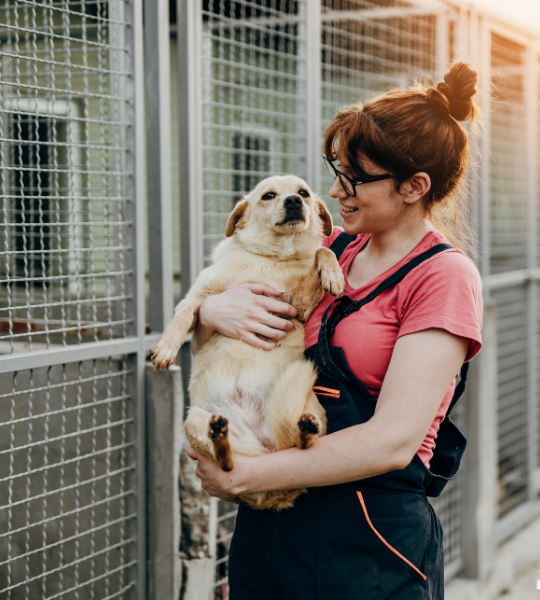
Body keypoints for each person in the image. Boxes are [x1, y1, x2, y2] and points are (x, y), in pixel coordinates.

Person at [186, 61, 484, 600]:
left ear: (415, 186)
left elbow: (394, 440)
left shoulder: (444, 277)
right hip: (274, 523)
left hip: (366, 536)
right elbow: (236, 339)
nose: (335, 189)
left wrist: (247, 476)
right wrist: (211, 313)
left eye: (355, 177)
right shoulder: (333, 250)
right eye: (336, 168)